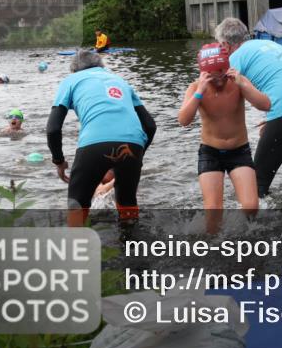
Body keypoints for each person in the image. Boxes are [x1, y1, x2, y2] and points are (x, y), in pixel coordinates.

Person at [215, 17, 282, 197]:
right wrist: (273, 120)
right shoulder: (270, 44)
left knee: (257, 184)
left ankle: (256, 216)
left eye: (220, 46)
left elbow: (222, 99)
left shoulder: (235, 57)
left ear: (225, 45)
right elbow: (281, 80)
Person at [46, 50, 156, 224]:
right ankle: (132, 239)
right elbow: (150, 126)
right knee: (127, 205)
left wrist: (59, 161)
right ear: (101, 66)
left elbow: (53, 129)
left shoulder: (71, 80)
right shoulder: (120, 81)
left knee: (77, 204)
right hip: (133, 143)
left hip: (94, 143)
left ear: (74, 69)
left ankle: (76, 239)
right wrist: (138, 155)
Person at [178, 43, 270, 221]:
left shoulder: (238, 82)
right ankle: (213, 238)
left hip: (239, 151)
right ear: (204, 72)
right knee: (213, 211)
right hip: (210, 153)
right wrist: (199, 92)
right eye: (212, 74)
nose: (219, 78)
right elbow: (183, 120)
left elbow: (265, 105)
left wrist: (243, 85)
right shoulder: (196, 88)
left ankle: (246, 234)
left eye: (221, 71)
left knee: (251, 207)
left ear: (227, 66)